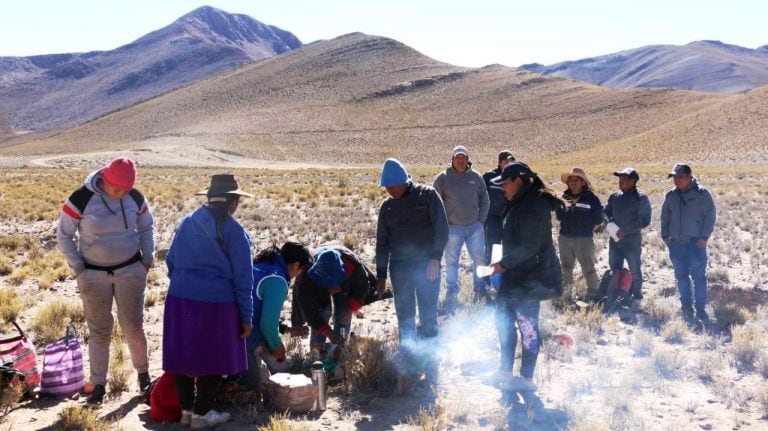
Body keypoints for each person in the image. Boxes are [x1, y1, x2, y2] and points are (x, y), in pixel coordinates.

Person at [56, 157, 154, 405]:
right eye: (116, 189)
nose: (121, 194)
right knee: (100, 332)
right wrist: (78, 268)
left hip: (131, 270)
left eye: (126, 190)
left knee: (133, 326)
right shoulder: (81, 198)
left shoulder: (135, 197)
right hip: (93, 275)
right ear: (105, 179)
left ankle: (143, 376)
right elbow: (64, 234)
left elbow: (146, 227)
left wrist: (148, 259)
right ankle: (99, 384)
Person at [163, 174, 254, 430]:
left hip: (179, 298)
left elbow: (170, 262)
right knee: (214, 356)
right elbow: (243, 279)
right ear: (233, 202)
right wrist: (246, 317)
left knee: (183, 352)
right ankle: (203, 413)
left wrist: (186, 282)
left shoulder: (186, 223)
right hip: (216, 302)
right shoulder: (235, 233)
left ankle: (186, 412)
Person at [490, 161, 564, 393]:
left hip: (531, 278)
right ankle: (504, 371)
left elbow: (530, 246)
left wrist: (503, 263)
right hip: (515, 275)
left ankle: (526, 378)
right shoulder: (518, 202)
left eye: (505, 183)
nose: (502, 188)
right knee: (503, 322)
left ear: (518, 181)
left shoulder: (533, 206)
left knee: (528, 327)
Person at [376, 158, 449, 349]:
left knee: (428, 314)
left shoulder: (428, 196)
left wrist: (435, 258)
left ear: (404, 180)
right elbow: (382, 243)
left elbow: (442, 229)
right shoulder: (387, 207)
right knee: (404, 314)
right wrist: (381, 275)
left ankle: (432, 356)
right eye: (386, 187)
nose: (390, 190)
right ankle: (408, 356)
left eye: (393, 185)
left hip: (427, 264)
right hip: (400, 268)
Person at [241, 242, 312, 391]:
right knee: (263, 387)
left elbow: (258, 311)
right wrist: (276, 346)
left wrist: (286, 330)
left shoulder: (263, 266)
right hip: (241, 339)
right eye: (300, 271)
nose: (297, 275)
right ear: (296, 265)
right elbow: (267, 325)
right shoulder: (278, 280)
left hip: (234, 328)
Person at [433, 145, 490, 309]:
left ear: (467, 160)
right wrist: (443, 223)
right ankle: (451, 291)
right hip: (453, 228)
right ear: (452, 159)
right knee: (451, 261)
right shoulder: (442, 178)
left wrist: (480, 221)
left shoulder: (476, 177)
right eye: (457, 158)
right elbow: (435, 202)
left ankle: (480, 288)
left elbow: (485, 200)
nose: (460, 161)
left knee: (479, 258)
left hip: (474, 227)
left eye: (463, 158)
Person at [291, 244, 375, 354]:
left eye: (333, 285)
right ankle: (317, 352)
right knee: (323, 312)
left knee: (343, 312)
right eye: (328, 286)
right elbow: (309, 311)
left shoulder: (353, 266)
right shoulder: (306, 276)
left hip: (345, 285)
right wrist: (327, 331)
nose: (332, 290)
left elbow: (362, 286)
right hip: (316, 288)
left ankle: (340, 350)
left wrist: (351, 308)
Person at [660, 163, 716, 320]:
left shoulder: (702, 194)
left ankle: (700, 309)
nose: (677, 180)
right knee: (681, 276)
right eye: (674, 177)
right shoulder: (671, 195)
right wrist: (665, 237)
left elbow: (710, 216)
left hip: (695, 244)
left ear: (689, 176)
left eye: (680, 176)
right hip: (676, 244)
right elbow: (665, 216)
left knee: (699, 277)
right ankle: (686, 308)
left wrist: (704, 238)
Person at [602, 167, 652, 310]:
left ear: (633, 181)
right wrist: (609, 223)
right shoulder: (614, 196)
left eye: (624, 178)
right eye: (619, 178)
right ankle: (616, 296)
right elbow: (605, 212)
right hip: (615, 241)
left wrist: (625, 230)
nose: (621, 181)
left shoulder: (641, 198)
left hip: (632, 242)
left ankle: (636, 296)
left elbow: (645, 220)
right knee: (615, 269)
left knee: (634, 269)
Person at [555, 167, 603, 300]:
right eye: (571, 180)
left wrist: (586, 230)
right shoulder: (563, 196)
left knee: (588, 268)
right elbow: (559, 215)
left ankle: (593, 295)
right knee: (566, 268)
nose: (573, 183)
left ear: (583, 182)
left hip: (583, 239)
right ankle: (567, 294)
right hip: (564, 237)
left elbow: (598, 219)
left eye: (576, 180)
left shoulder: (591, 198)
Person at [482, 150, 515, 263]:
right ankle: (489, 277)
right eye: (506, 161)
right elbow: (479, 194)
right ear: (499, 162)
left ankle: (507, 276)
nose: (508, 164)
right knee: (492, 248)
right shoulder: (489, 176)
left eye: (511, 161)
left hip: (510, 218)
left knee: (510, 247)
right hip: (492, 218)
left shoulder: (516, 177)